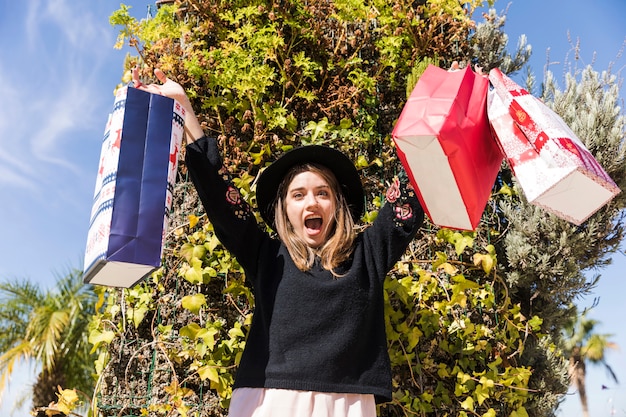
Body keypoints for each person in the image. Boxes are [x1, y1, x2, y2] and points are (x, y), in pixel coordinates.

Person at [133, 68, 425, 417]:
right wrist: (185, 110)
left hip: (346, 405)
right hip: (270, 400)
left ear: (337, 205)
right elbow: (221, 198)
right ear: (285, 210)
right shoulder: (267, 257)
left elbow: (409, 194)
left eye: (322, 193)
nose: (311, 203)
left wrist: (441, 105)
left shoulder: (368, 256)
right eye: (298, 195)